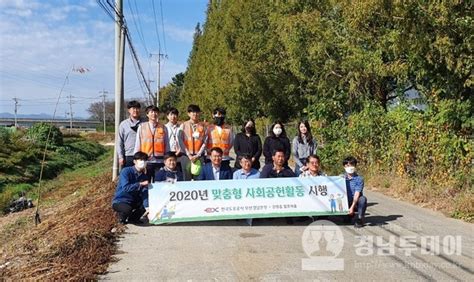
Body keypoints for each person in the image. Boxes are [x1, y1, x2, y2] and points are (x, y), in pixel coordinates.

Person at [112, 151, 149, 224]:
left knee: (145, 205)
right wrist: (140, 184)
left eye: (145, 160)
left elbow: (144, 192)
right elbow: (126, 187)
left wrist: (147, 207)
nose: (143, 162)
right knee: (127, 209)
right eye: (140, 160)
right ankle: (121, 219)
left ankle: (133, 219)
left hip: (134, 200)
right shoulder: (126, 171)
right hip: (121, 200)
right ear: (134, 161)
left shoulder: (144, 176)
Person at [260, 149, 296, 224]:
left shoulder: (286, 168)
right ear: (273, 157)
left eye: (282, 156)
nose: (280, 159)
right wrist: (273, 171)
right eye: (278, 156)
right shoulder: (267, 168)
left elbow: (294, 177)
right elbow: (261, 180)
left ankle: (288, 216)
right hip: (270, 193)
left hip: (283, 194)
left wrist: (283, 170)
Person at [134, 105, 169, 181]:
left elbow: (167, 145)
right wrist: (137, 159)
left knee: (160, 183)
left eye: (156, 112)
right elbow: (137, 144)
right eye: (151, 112)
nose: (154, 114)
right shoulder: (141, 127)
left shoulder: (163, 127)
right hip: (146, 161)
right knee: (146, 183)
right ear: (147, 114)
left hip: (160, 161)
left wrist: (167, 159)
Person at [180, 104, 207, 180]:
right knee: (186, 179)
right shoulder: (183, 125)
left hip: (199, 157)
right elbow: (180, 140)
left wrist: (198, 155)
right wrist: (189, 155)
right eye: (193, 112)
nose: (195, 114)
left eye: (197, 112)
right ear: (188, 113)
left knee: (199, 179)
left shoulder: (203, 126)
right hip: (186, 156)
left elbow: (205, 141)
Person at [233, 154, 260, 226]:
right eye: (245, 162)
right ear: (240, 163)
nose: (247, 164)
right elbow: (234, 188)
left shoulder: (257, 174)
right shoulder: (236, 174)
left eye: (249, 161)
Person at [343, 156, 367, 228]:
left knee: (362, 199)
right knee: (345, 220)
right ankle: (348, 215)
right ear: (344, 166)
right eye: (347, 165)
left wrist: (352, 207)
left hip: (355, 202)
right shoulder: (340, 178)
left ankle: (360, 219)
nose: (350, 167)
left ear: (355, 166)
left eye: (352, 165)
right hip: (345, 201)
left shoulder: (359, 179)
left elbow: (357, 194)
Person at [117, 100, 141, 168]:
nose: (135, 110)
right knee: (128, 176)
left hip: (142, 155)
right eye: (133, 108)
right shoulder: (123, 124)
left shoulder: (145, 123)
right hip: (128, 155)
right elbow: (119, 142)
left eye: (137, 108)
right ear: (129, 110)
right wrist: (120, 157)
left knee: (141, 177)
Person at [164, 107, 185, 173]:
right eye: (171, 114)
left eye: (175, 114)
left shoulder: (182, 127)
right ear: (167, 116)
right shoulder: (164, 127)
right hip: (168, 154)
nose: (173, 116)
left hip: (180, 155)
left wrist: (181, 150)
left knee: (179, 174)